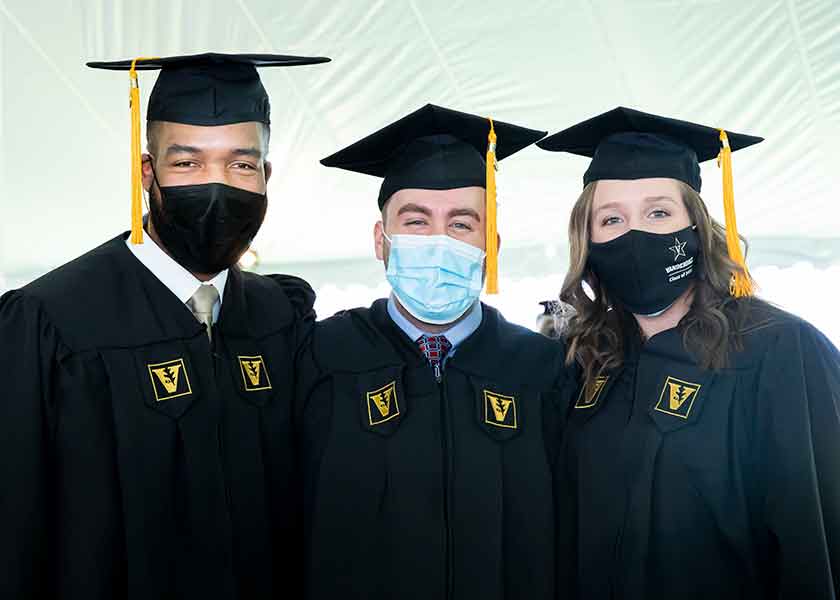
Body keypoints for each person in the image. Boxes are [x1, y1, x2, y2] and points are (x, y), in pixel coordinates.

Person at [0, 52, 329, 599]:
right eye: (188, 163)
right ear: (147, 171)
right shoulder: (50, 323)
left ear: (266, 177)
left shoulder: (281, 318)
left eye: (241, 165)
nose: (217, 184)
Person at [538, 106, 840, 599]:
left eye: (659, 212)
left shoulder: (781, 351)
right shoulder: (588, 365)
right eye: (611, 219)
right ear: (588, 243)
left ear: (697, 228)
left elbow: (818, 547)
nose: (636, 235)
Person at [296, 104, 573, 599]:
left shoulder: (542, 371)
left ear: (492, 243)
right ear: (381, 241)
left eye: (462, 224)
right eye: (417, 222)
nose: (439, 241)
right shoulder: (321, 357)